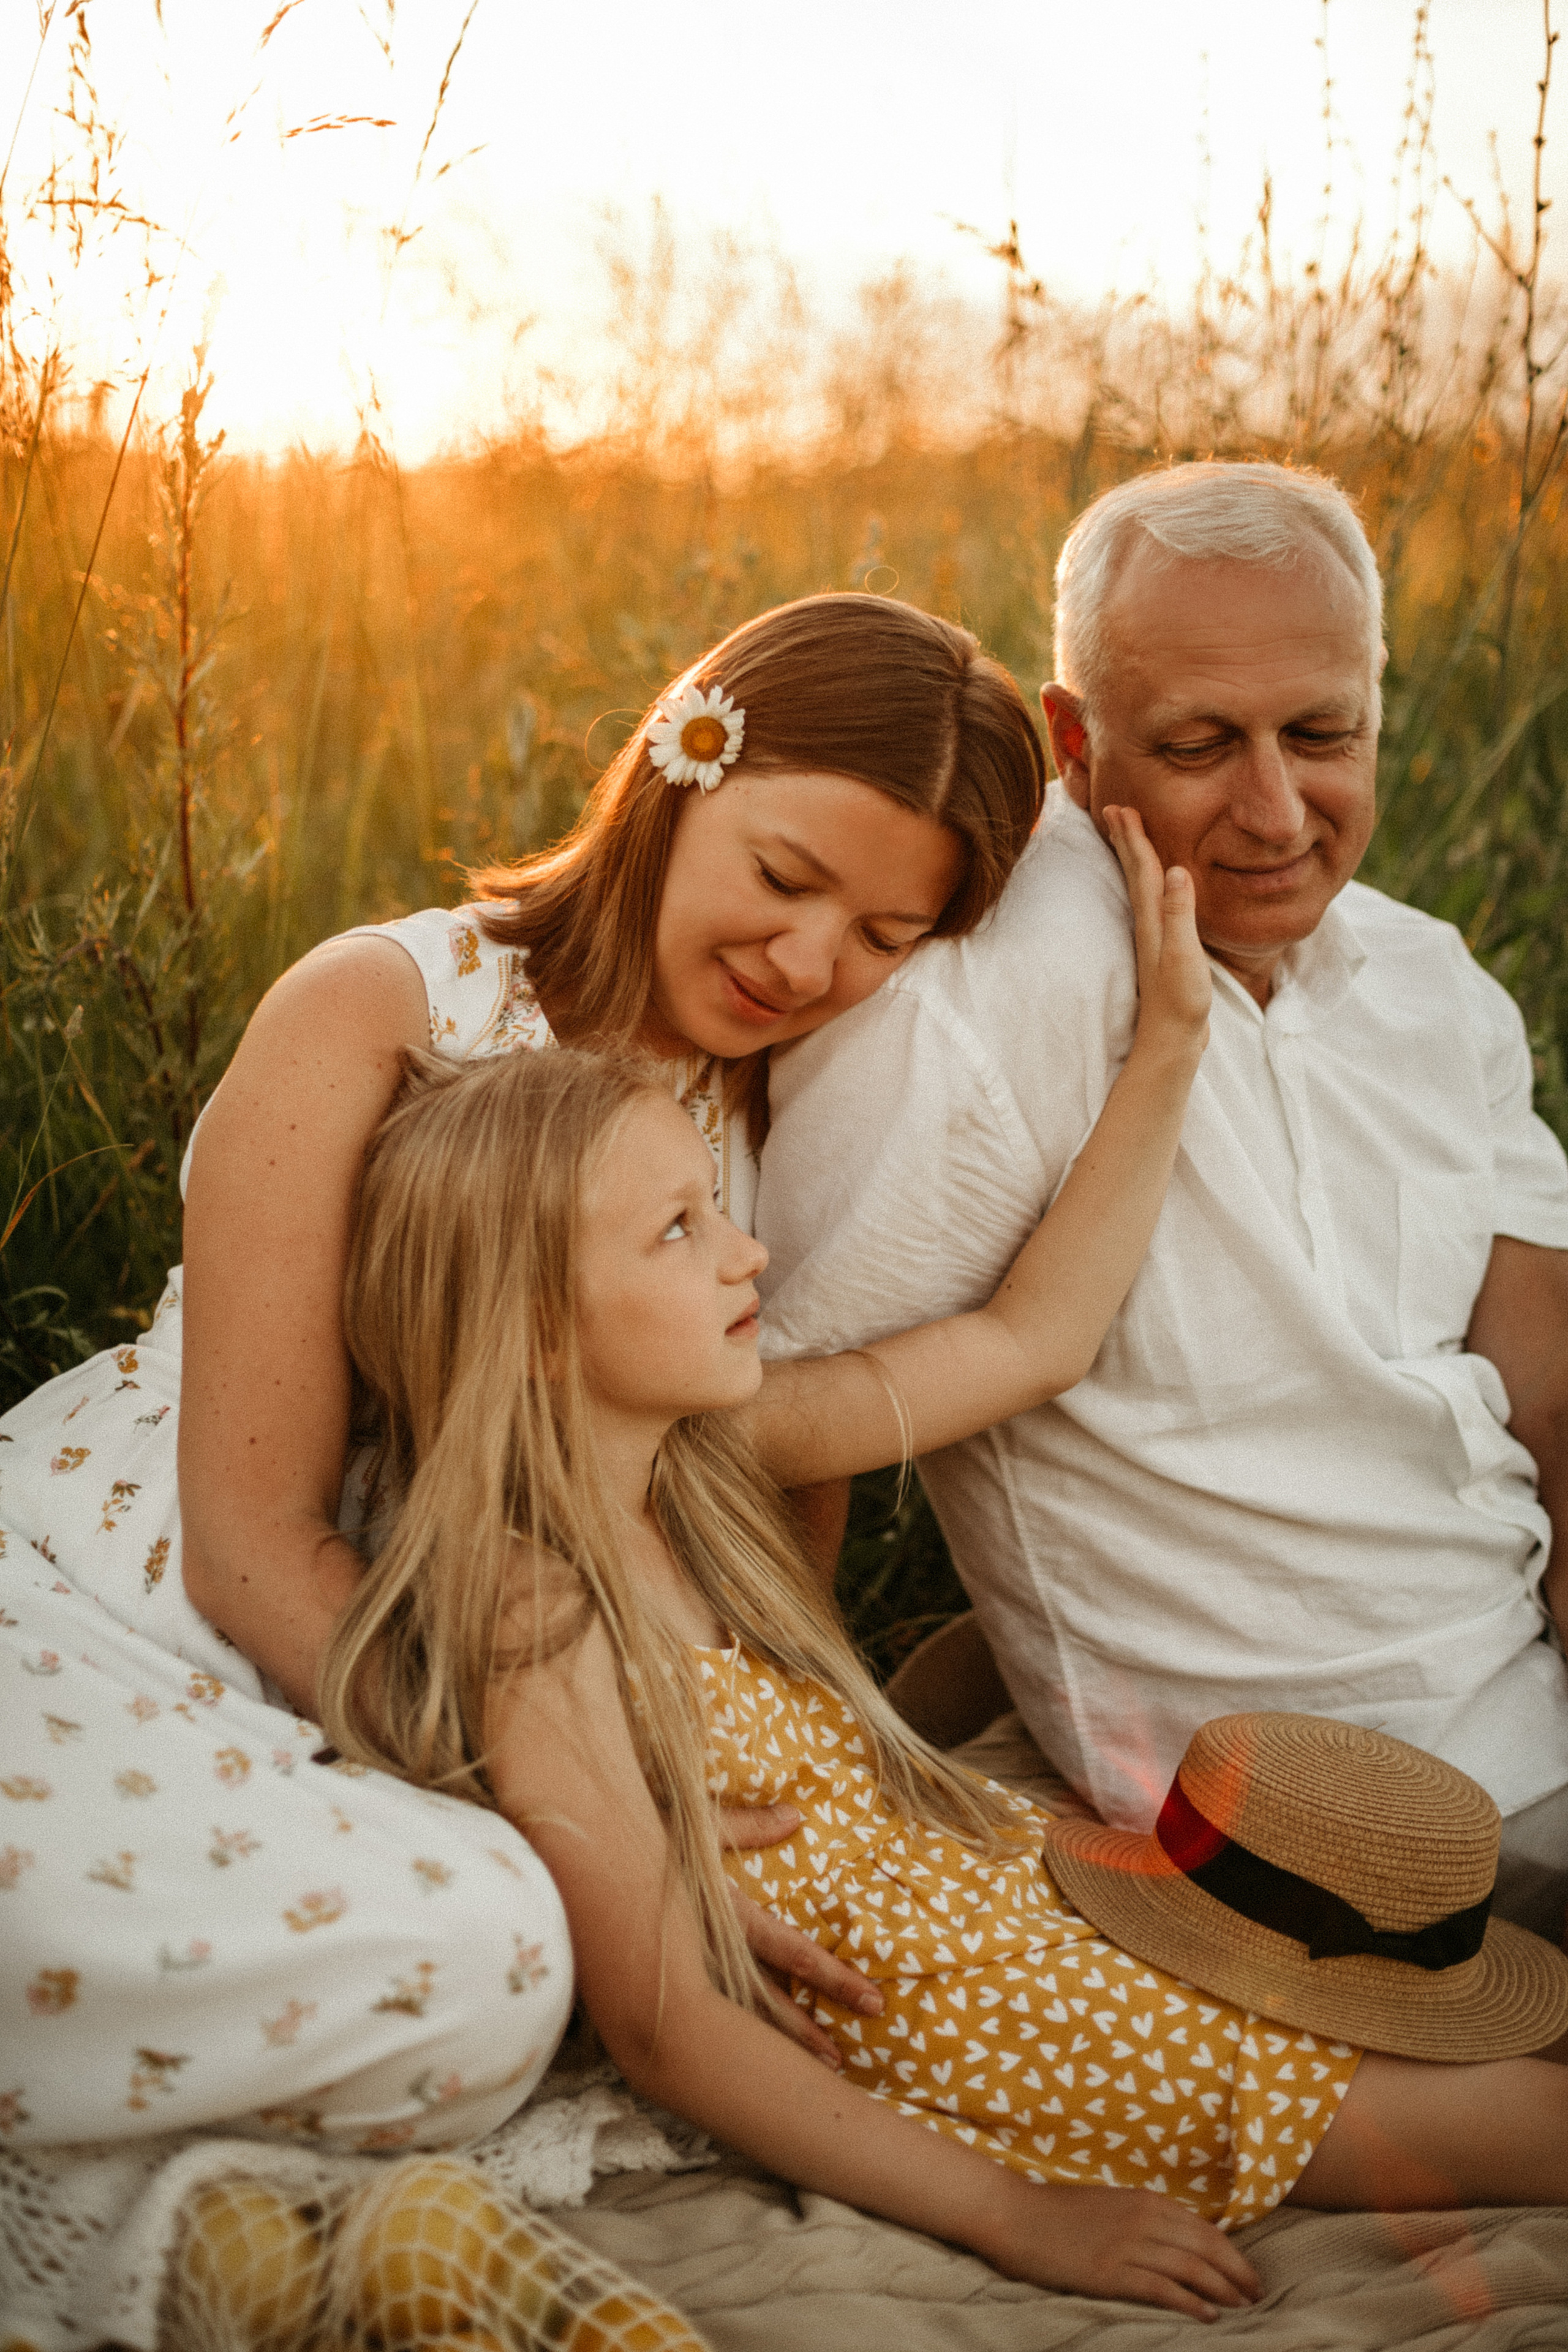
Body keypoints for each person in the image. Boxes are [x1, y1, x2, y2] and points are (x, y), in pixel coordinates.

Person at [313, 924, 1565, 2324]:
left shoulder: (695, 1473)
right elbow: (666, 2023)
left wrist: (1162, 1050)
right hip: (988, 2019)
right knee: (1510, 2122)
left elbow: (1036, 1334)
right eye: (679, 1231)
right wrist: (1013, 2213)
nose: (750, 1254)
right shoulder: (527, 1601)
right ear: (535, 1324)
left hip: (1022, 1902)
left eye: (712, 1204)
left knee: (1467, 2016)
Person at [0, 593, 1043, 2146]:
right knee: (494, 1954)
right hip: (172, 1591)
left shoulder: (782, 1118)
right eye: (783, 876)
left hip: (504, 1656)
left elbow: (764, 1496)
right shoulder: (385, 1004)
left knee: (525, 1961)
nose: (808, 959)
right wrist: (600, 1823)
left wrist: (708, 1779)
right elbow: (251, 1537)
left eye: (885, 937)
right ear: (677, 766)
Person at [756, 461, 1568, 1941]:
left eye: (1321, 734)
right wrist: (790, 1786)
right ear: (1074, 742)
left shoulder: (1430, 985)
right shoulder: (984, 1013)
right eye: (1199, 745)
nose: (1275, 810)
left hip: (1532, 1702)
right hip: (1316, 1817)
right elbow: (767, 1415)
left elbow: (1550, 1391)